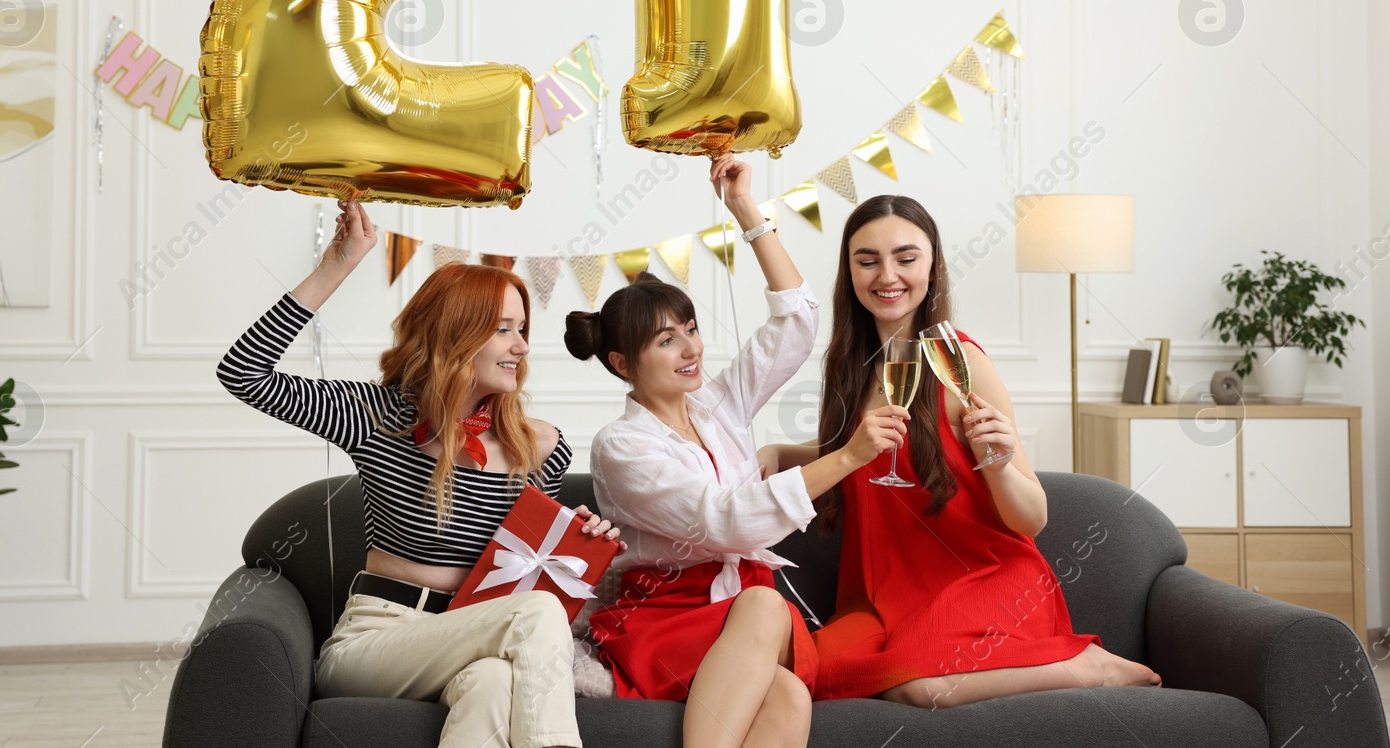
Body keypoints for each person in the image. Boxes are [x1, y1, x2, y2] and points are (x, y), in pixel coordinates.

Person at [217, 199, 623, 748]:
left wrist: (573, 543)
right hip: (377, 639)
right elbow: (243, 374)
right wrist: (336, 265)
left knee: (494, 680)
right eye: (503, 329)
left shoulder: (539, 447)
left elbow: (523, 580)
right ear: (456, 336)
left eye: (522, 328)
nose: (522, 346)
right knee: (535, 614)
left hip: (477, 639)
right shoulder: (376, 417)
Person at [758, 195, 1160, 708]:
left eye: (906, 258)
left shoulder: (960, 361)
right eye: (868, 260)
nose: (888, 275)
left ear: (933, 265)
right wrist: (785, 451)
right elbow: (871, 449)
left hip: (983, 578)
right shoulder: (851, 367)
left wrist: (997, 459)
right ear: (849, 270)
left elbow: (1031, 518)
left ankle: (1090, 668)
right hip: (887, 595)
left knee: (927, 686)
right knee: (820, 672)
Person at [566, 155, 901, 748]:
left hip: (738, 610)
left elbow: (797, 322)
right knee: (768, 615)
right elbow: (722, 519)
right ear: (622, 364)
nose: (690, 348)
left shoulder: (719, 402)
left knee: (790, 690)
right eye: (666, 340)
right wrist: (847, 457)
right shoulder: (620, 446)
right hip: (668, 613)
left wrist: (746, 210)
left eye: (690, 329)